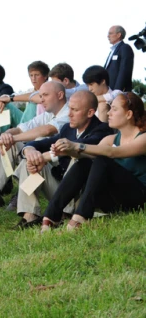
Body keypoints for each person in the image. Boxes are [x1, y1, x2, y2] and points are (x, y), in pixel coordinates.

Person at [42, 92, 146, 232]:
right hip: (114, 201)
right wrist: (67, 151)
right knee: (86, 162)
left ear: (129, 114)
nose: (109, 113)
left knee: (103, 159)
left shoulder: (143, 138)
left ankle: (80, 218)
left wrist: (76, 145)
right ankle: (50, 217)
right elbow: (89, 157)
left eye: (114, 109)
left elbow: (112, 153)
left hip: (139, 199)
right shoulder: (110, 139)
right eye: (109, 108)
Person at [13, 90, 112, 228]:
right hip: (61, 190)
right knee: (29, 160)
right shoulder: (68, 128)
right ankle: (30, 215)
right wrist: (29, 150)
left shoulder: (102, 130)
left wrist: (46, 156)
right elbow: (41, 143)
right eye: (69, 108)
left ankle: (64, 213)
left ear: (90, 113)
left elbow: (79, 148)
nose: (69, 114)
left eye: (75, 110)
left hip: (81, 196)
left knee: (79, 157)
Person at [0, 81, 70, 210]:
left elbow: (47, 130)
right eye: (40, 96)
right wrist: (7, 134)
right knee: (13, 146)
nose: (41, 100)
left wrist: (13, 138)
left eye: (45, 95)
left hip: (57, 172)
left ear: (60, 95)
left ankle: (22, 195)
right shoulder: (48, 114)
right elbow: (23, 128)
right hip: (45, 164)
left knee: (32, 151)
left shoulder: (69, 113)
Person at [104, 25, 134, 92]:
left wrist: (117, 90)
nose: (108, 36)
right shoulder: (112, 51)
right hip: (108, 91)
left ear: (118, 35)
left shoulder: (125, 48)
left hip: (117, 92)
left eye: (110, 33)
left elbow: (124, 70)